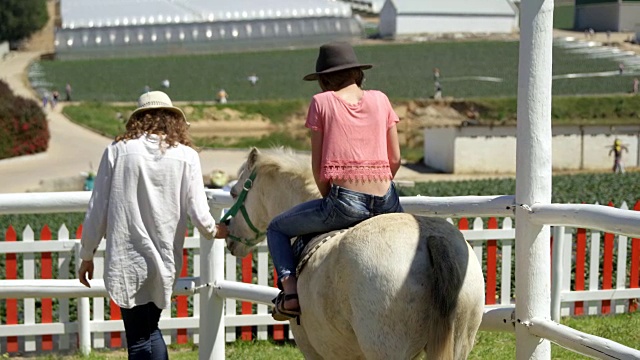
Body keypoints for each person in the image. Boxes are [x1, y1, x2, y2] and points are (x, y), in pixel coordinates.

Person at [77, 91, 228, 359]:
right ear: (172, 119)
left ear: (139, 119)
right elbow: (199, 211)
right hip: (165, 255)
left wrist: (87, 254)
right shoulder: (187, 156)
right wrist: (215, 230)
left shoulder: (117, 151)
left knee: (140, 336)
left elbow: (97, 209)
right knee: (148, 330)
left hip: (127, 258)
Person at [266, 42, 403, 320]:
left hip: (345, 201)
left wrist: (332, 196)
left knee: (277, 229)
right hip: (388, 199)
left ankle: (290, 294)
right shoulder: (381, 99)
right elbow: (396, 158)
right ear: (356, 73)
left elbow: (318, 167)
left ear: (324, 79)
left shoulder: (322, 103)